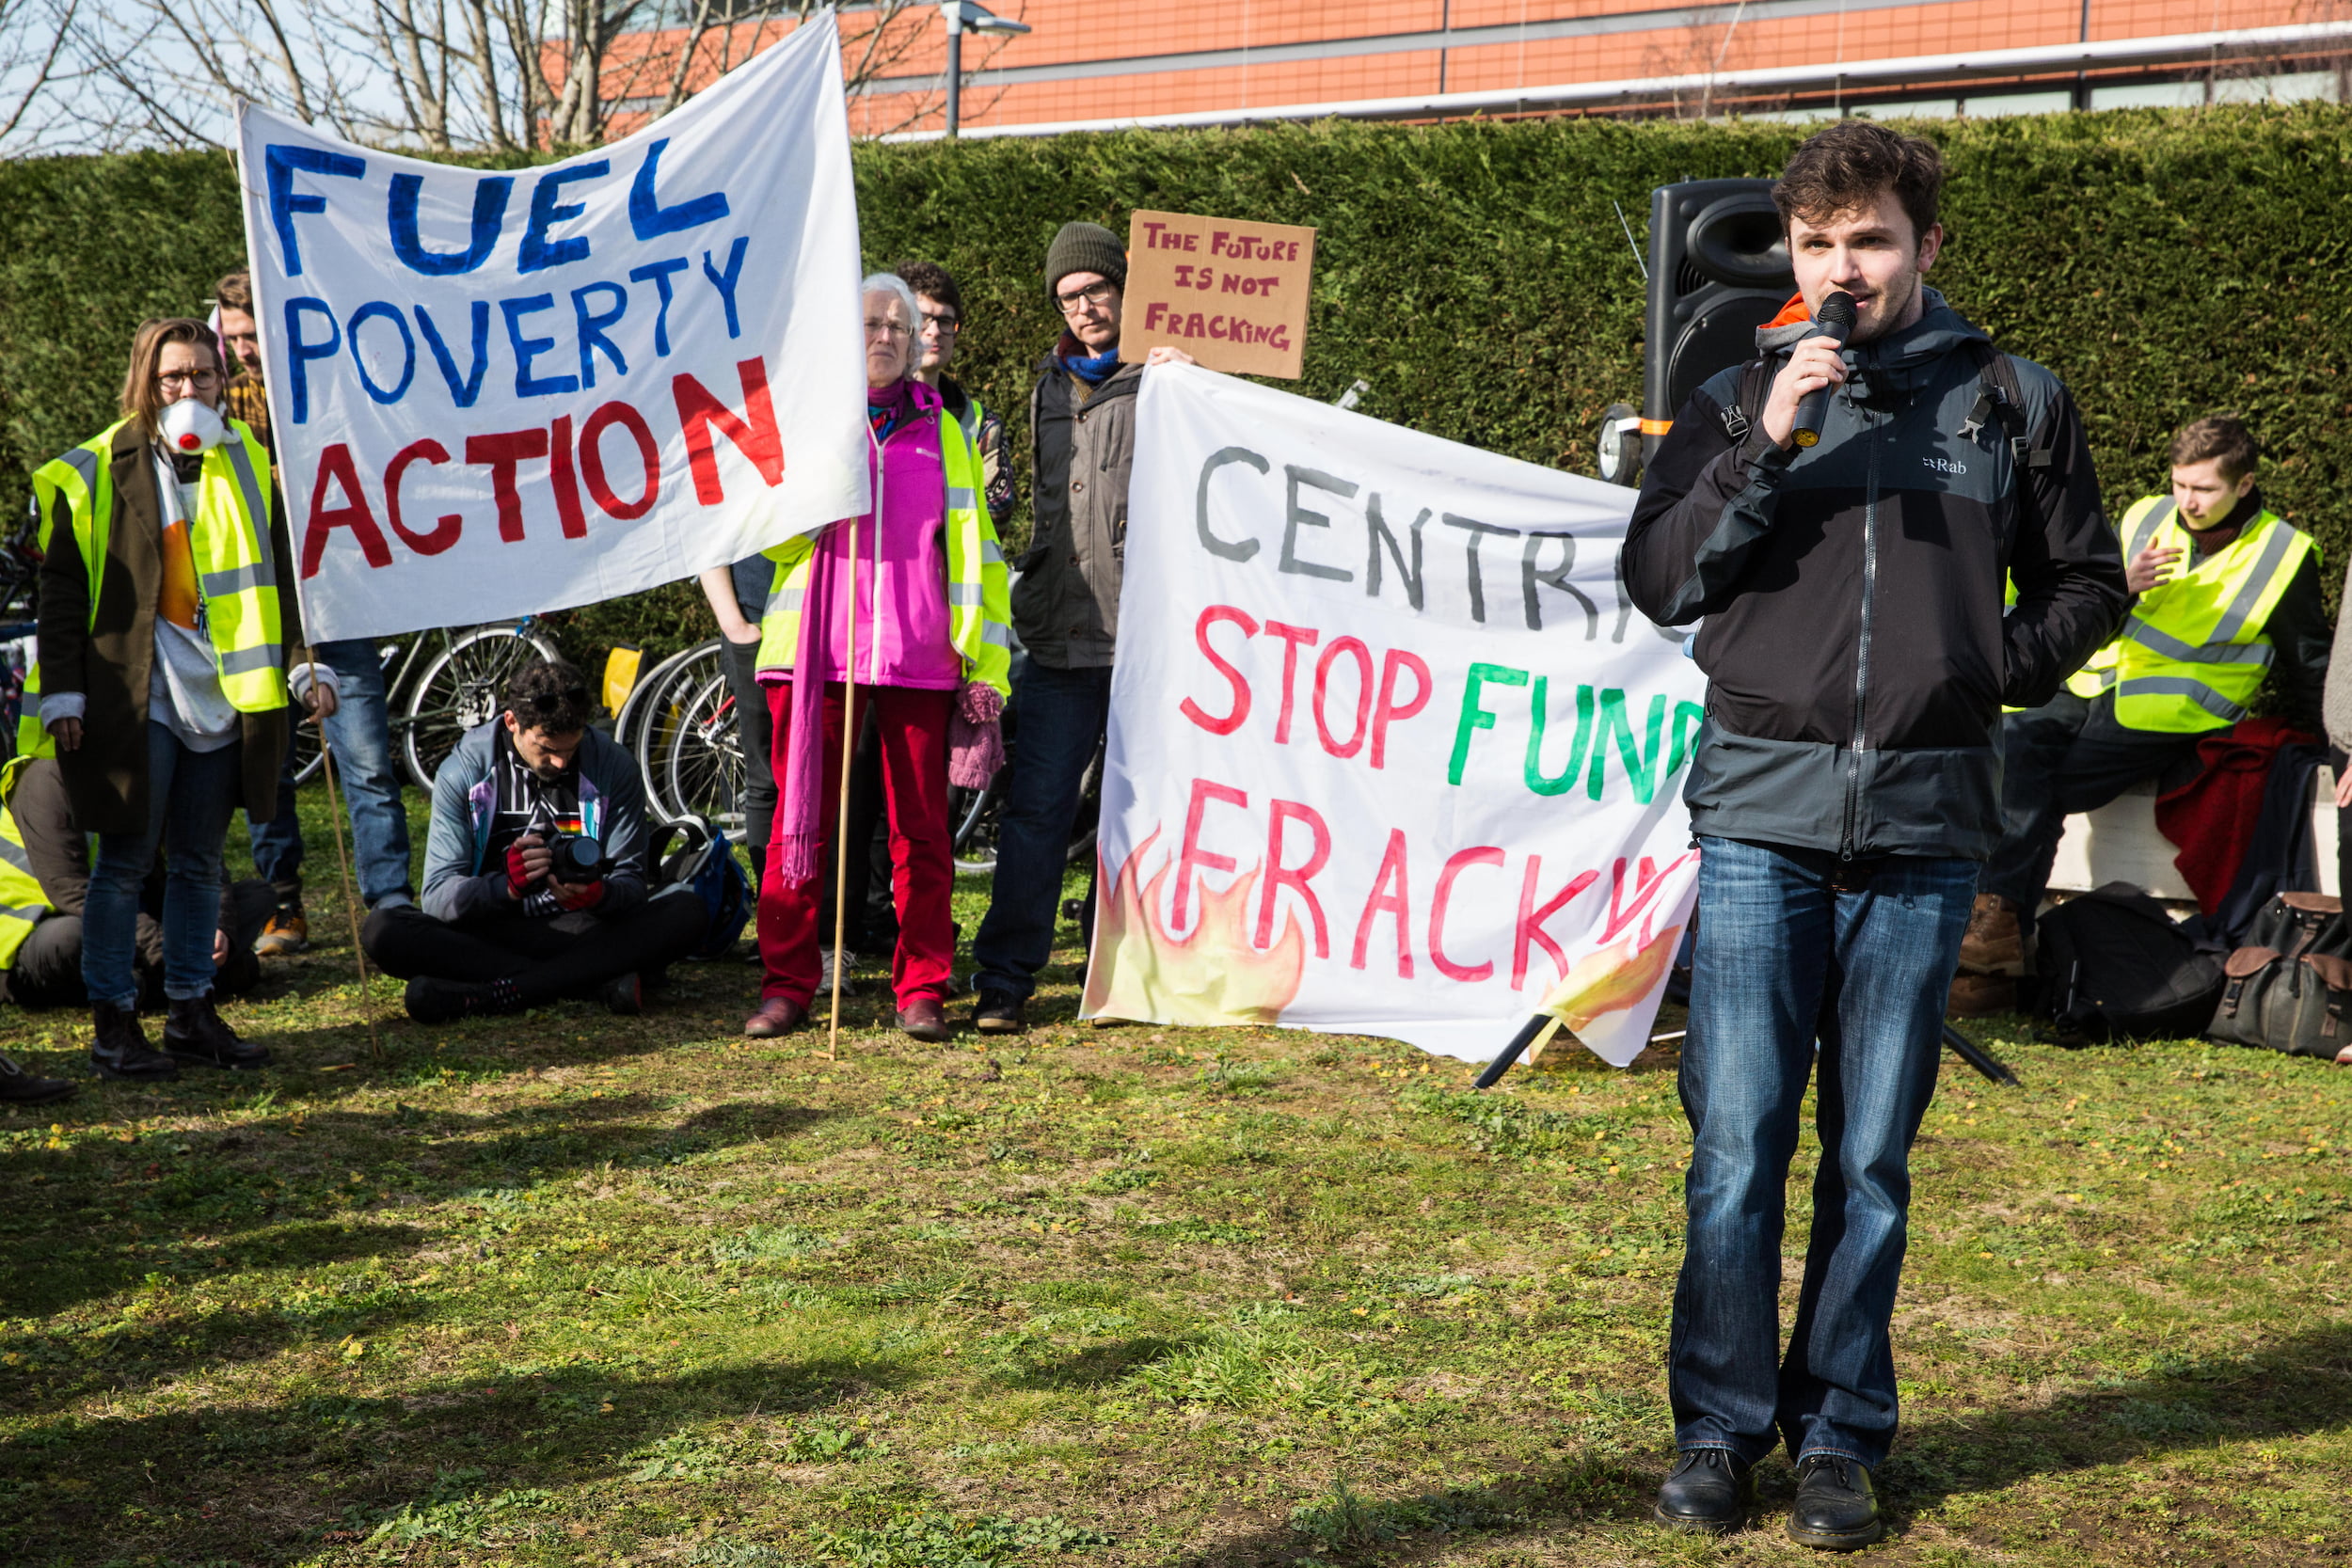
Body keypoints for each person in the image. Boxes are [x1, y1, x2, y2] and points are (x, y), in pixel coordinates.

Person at [1622, 121, 2126, 1547]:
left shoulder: (2013, 399)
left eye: (1872, 241)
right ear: (1794, 252)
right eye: (1818, 243)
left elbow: (2090, 584)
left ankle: (1841, 1432)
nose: (1844, 269)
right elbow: (1662, 579)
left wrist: (1981, 665)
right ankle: (1718, 1428)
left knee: (1871, 1156)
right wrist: (1762, 438)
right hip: (1761, 823)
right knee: (1733, 1146)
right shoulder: (1730, 391)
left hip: (1924, 831)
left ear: (1925, 246)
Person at [34, 316, 341, 1079]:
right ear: (147, 380)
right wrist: (64, 691)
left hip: (226, 693)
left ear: (221, 381)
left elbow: (283, 578)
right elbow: (63, 591)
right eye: (173, 376)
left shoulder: (251, 461)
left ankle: (190, 1012)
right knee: (127, 860)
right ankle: (113, 1023)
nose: (188, 388)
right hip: (137, 694)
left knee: (203, 860)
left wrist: (304, 665)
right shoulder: (99, 464)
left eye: (202, 375)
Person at [1956, 416, 2328, 1012]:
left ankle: (1993, 948)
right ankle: (1997, 947)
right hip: (2091, 680)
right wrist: (2121, 587)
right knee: (2018, 743)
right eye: (2181, 485)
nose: (2188, 502)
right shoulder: (2145, 516)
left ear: (2245, 484)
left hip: (2172, 714)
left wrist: (2341, 747)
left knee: (2036, 786)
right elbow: (2088, 605)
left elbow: (2310, 661)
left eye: (2204, 489)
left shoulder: (2284, 555)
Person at [741, 273, 1013, 1043]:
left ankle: (921, 985)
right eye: (870, 323)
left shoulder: (946, 432)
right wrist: (825, 486)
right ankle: (787, 982)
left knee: (922, 832)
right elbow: (771, 535)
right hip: (815, 653)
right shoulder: (811, 418)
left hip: (917, 654)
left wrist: (984, 667)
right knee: (801, 824)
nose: (886, 335)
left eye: (898, 324)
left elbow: (977, 555)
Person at [967, 224, 1190, 1036]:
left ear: (1125, 290)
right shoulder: (1045, 387)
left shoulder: (1167, 378)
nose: (1085, 306)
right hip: (1059, 632)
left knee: (1142, 812)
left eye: (1096, 289)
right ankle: (1005, 979)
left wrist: (1199, 381)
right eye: (1069, 296)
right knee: (1036, 812)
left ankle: (1118, 966)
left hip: (1146, 636)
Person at [214, 269, 421, 957]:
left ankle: (391, 905)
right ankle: (284, 905)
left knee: (364, 759)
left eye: (253, 334)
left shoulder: (329, 391)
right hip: (263, 608)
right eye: (233, 336)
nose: (244, 350)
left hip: (337, 596)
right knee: (268, 766)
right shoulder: (218, 407)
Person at [360, 659, 707, 1022]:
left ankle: (495, 992)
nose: (559, 762)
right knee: (384, 929)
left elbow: (632, 884)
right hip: (492, 931)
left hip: (584, 926)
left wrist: (599, 895)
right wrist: (505, 888)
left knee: (686, 911)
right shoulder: (464, 772)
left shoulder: (614, 766)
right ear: (512, 722)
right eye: (546, 748)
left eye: (570, 750)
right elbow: (438, 896)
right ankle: (591, 982)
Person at [0, 754, 276, 1014]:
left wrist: (218, 928)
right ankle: (172, 980)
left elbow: (202, 861)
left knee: (256, 897)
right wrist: (163, 944)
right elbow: (71, 890)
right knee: (70, 936)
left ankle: (151, 982)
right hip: (42, 934)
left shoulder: (151, 764)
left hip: (133, 923)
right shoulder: (45, 779)